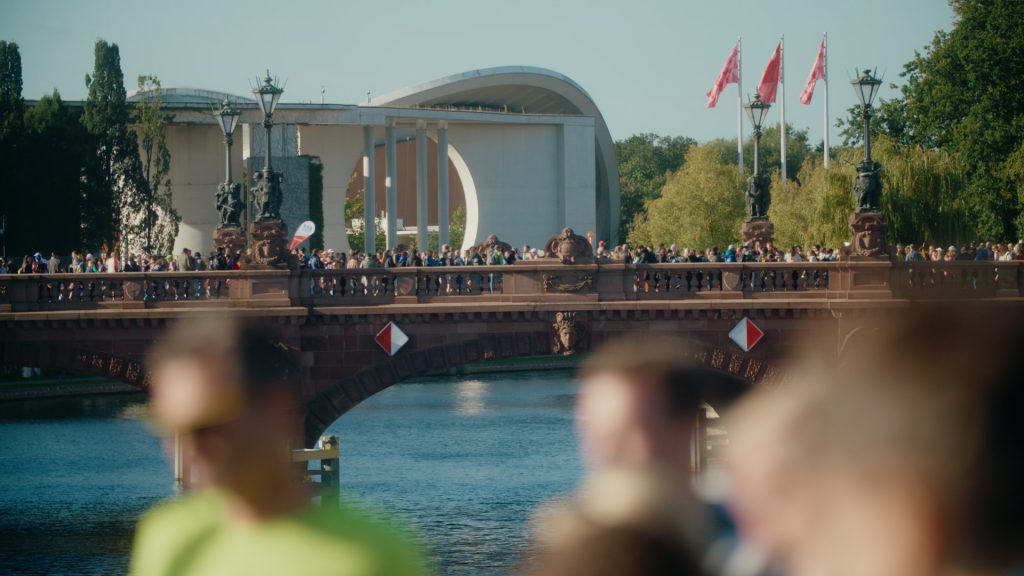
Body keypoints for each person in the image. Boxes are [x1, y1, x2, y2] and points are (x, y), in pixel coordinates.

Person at [133, 316, 430, 576]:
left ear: (276, 407)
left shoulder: (375, 552)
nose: (188, 449)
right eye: (171, 428)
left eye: (210, 426)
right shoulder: (167, 539)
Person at [525, 336, 729, 576]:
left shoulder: (748, 546)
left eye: (628, 434)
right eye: (597, 437)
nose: (609, 454)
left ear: (687, 431)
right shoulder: (562, 553)